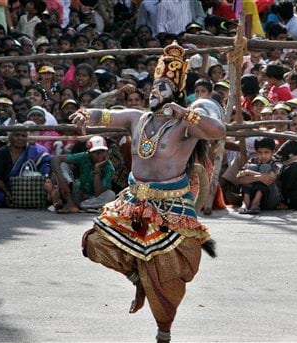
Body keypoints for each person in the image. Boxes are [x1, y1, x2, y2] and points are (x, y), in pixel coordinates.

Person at [70, 41, 226, 343]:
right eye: (155, 85)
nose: (156, 91)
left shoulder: (185, 126)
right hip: (133, 200)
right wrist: (83, 115)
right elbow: (102, 115)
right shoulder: (136, 118)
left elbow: (219, 130)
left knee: (165, 275)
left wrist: (186, 113)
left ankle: (163, 330)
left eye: (164, 86)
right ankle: (138, 278)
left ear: (177, 93)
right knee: (94, 243)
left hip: (172, 206)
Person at [49, 136, 116, 213]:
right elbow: (55, 159)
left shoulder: (109, 168)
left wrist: (97, 169)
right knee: (63, 165)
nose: (100, 154)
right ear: (89, 153)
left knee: (111, 194)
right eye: (96, 152)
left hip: (94, 198)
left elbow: (98, 193)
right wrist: (61, 181)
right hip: (79, 192)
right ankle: (70, 203)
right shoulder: (85, 156)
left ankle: (79, 206)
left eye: (102, 151)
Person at [0, 124, 51, 208]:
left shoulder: (33, 151)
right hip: (6, 188)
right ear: (10, 137)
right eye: (17, 135)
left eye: (23, 136)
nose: (20, 138)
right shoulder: (2, 152)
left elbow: (44, 164)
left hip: (28, 189)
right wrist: (7, 193)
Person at [237, 138, 282, 214]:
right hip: (252, 195)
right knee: (251, 166)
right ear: (256, 152)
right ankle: (246, 202)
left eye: (266, 152)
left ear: (273, 152)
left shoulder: (277, 163)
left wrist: (248, 172)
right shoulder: (253, 160)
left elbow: (269, 178)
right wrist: (258, 177)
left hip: (270, 198)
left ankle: (256, 202)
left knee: (265, 167)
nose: (263, 155)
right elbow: (239, 179)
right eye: (260, 152)